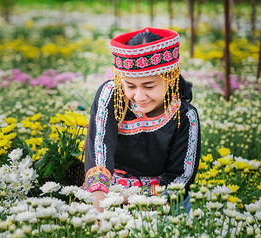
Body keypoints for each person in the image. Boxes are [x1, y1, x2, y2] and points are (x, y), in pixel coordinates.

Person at [83, 27, 201, 213]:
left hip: (160, 200)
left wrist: (129, 199)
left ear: (170, 78)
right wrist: (100, 211)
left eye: (149, 86)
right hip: (109, 193)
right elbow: (99, 153)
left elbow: (180, 180)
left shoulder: (186, 116)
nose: (139, 96)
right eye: (130, 86)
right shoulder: (111, 95)